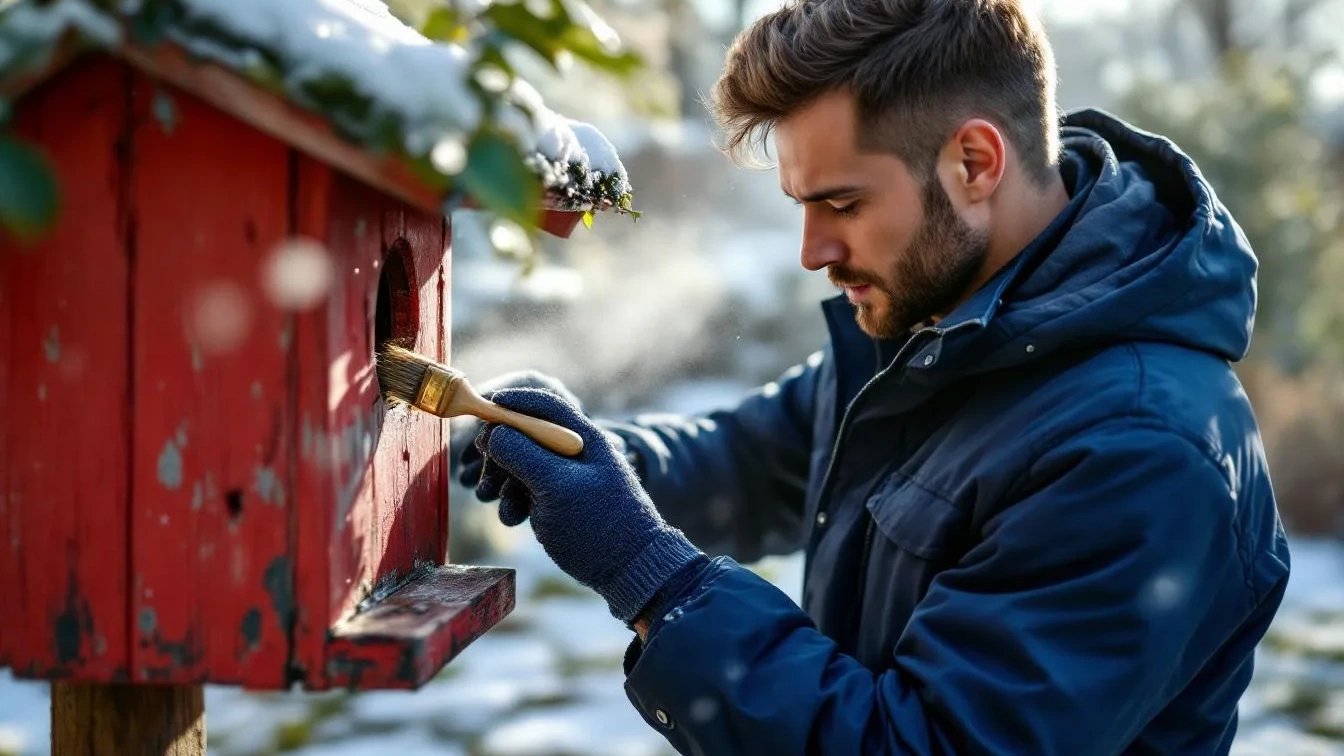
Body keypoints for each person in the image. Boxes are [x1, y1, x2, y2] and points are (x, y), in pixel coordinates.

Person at [457, 0, 1292, 753]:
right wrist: (593, 463)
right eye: (802, 207)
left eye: (843, 204)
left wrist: (644, 570)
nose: (812, 251)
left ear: (974, 162)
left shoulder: (1140, 451)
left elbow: (918, 745)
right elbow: (762, 459)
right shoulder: (941, 314)